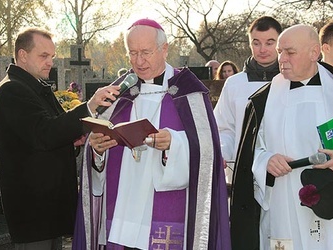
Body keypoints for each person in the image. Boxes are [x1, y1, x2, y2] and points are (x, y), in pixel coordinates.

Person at [72, 18, 230, 250]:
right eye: (132, 53)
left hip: (168, 207)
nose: (139, 61)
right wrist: (97, 150)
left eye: (146, 52)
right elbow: (96, 149)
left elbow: (208, 150)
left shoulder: (188, 91)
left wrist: (174, 143)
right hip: (124, 206)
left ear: (164, 49)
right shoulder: (119, 93)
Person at [230, 24, 333, 249]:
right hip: (284, 203)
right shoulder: (261, 102)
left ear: (314, 53)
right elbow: (248, 154)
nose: (282, 59)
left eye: (290, 52)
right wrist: (266, 160)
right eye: (280, 52)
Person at [0, 27, 114, 249]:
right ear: (22, 55)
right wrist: (90, 105)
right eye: (43, 56)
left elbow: (45, 135)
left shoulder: (33, 87)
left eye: (52, 56)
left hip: (47, 210)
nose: (50, 62)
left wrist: (72, 140)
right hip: (33, 211)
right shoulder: (12, 90)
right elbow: (44, 134)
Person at [214, 16, 282, 188]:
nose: (262, 49)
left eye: (269, 42)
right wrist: (221, 151)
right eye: (256, 43)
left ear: (280, 43)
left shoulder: (290, 80)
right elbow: (225, 128)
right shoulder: (235, 84)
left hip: (283, 169)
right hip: (243, 171)